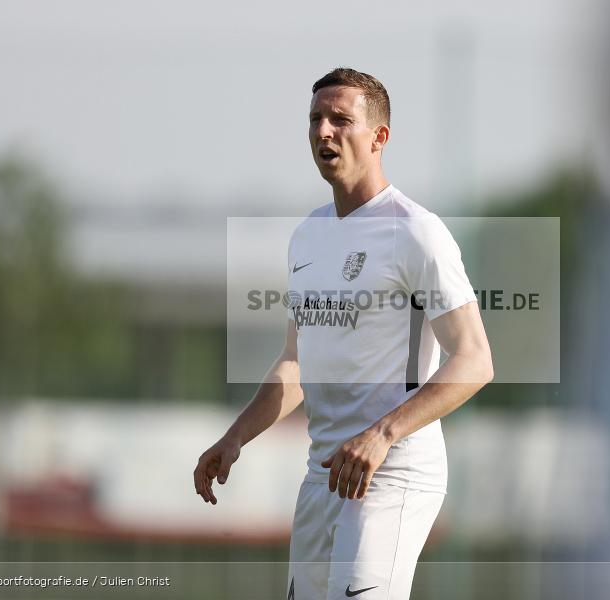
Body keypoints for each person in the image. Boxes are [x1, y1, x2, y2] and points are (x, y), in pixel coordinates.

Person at [194, 67, 493, 599]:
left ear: (379, 137)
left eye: (340, 119)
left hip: (392, 472)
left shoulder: (415, 231)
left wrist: (382, 435)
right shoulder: (308, 236)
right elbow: (295, 363)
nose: (323, 131)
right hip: (323, 475)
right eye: (315, 119)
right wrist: (235, 436)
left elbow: (474, 360)